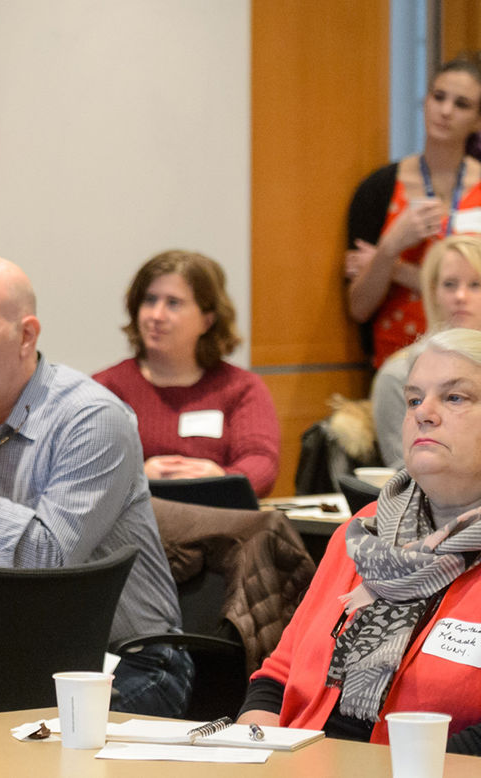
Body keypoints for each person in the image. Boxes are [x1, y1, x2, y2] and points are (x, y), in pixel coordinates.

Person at [0, 256, 189, 717]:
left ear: (27, 335)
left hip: (127, 663)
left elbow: (43, 565)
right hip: (10, 660)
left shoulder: (93, 420)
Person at [238, 328, 481, 756]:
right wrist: (249, 749)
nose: (424, 413)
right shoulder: (367, 531)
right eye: (414, 399)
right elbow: (279, 676)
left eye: (455, 398)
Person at [93, 250, 281, 497]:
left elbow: (261, 462)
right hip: (137, 524)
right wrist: (138, 476)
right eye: (149, 300)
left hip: (218, 521)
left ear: (207, 319)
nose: (156, 316)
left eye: (173, 303)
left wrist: (220, 480)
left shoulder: (241, 388)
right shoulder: (106, 388)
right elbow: (85, 468)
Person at [345, 55, 481, 367]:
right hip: (399, 365)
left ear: (477, 120)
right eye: (438, 97)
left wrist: (397, 271)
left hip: (474, 363)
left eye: (461, 104)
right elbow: (359, 308)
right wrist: (391, 246)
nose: (445, 111)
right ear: (425, 101)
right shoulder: (378, 189)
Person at [374, 234, 481, 466]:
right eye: (450, 284)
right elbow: (405, 472)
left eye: (476, 284)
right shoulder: (398, 374)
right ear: (433, 292)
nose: (461, 296)